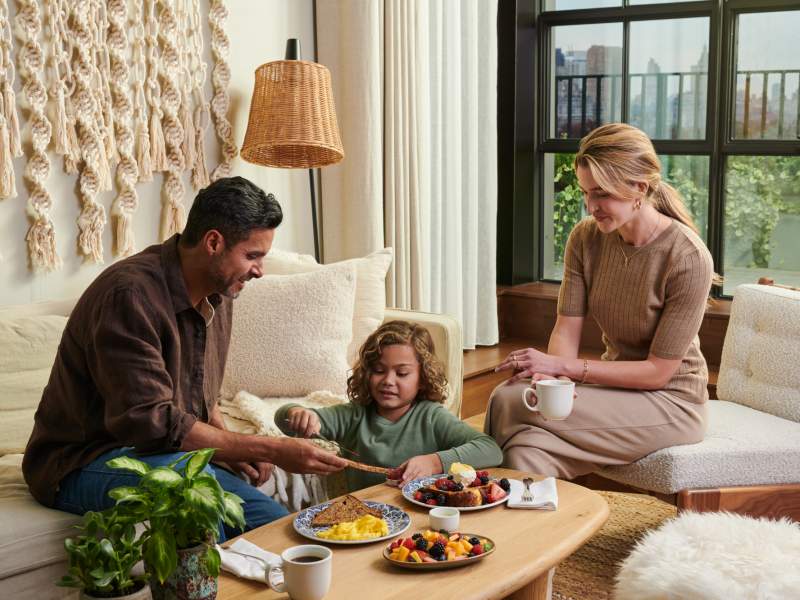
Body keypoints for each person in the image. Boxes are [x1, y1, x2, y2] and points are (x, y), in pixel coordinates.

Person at [22, 176, 347, 540]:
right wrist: (270, 446)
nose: (259, 270)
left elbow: (201, 401)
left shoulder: (218, 294)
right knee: (199, 499)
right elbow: (152, 422)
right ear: (213, 242)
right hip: (81, 463)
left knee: (276, 530)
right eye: (252, 255)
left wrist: (229, 447)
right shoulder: (129, 296)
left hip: (164, 454)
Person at [486, 123, 715, 479]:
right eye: (585, 193)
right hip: (612, 390)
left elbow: (658, 372)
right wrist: (551, 383)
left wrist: (566, 370)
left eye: (601, 194)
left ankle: (467, 486)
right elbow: (566, 328)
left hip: (672, 403)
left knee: (506, 400)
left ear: (639, 187)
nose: (591, 206)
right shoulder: (585, 239)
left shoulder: (687, 257)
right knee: (525, 449)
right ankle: (542, 531)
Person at [275, 320, 503, 491]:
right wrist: (297, 413)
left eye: (402, 373)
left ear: (423, 378)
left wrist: (435, 462)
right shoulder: (354, 415)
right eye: (379, 370)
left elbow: (490, 449)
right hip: (364, 521)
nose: (388, 381)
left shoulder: (431, 417)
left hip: (420, 518)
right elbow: (284, 421)